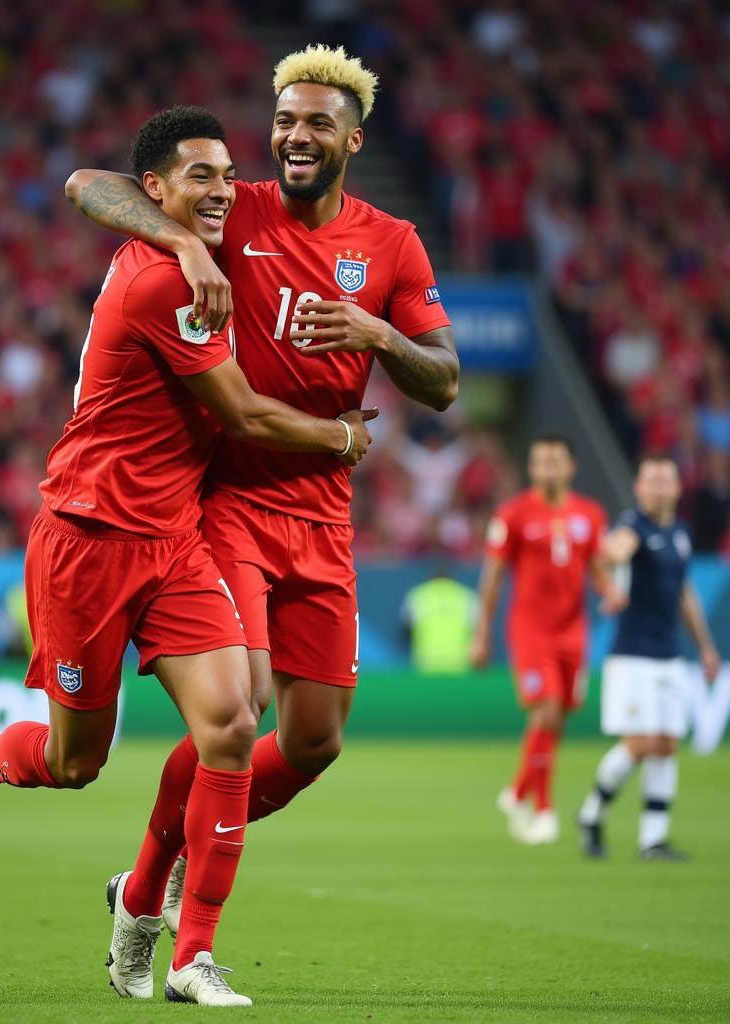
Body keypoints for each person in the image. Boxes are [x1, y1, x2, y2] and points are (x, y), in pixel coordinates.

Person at [0, 107, 375, 1008]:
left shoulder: (196, 250)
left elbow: (96, 188)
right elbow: (245, 415)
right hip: (87, 542)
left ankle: (181, 949)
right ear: (157, 192)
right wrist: (338, 435)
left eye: (225, 174)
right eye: (198, 177)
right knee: (74, 762)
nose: (221, 190)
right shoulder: (157, 282)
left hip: (173, 540)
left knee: (233, 726)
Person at [65, 44, 458, 936]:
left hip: (324, 514)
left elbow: (443, 379)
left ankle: (141, 881)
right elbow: (88, 182)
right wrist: (174, 240)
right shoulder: (227, 209)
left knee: (315, 740)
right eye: (284, 121)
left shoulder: (392, 243)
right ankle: (171, 911)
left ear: (353, 140)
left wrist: (376, 334)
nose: (296, 136)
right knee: (237, 717)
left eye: (318, 122)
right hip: (227, 506)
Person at [470, 435, 617, 844]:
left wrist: (610, 592)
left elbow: (598, 568)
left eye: (554, 462)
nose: (546, 469)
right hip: (531, 629)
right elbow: (493, 577)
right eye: (539, 462)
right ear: (531, 469)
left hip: (574, 629)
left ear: (571, 467)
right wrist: (482, 633)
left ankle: (516, 791)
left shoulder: (590, 514)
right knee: (547, 708)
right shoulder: (514, 513)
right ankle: (544, 809)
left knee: (559, 715)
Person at [578, 453, 721, 860]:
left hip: (669, 654)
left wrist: (706, 645)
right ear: (639, 488)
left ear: (677, 488)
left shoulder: (679, 531)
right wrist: (610, 580)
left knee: (667, 743)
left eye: (666, 480)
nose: (660, 488)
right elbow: (611, 553)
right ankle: (591, 812)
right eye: (652, 481)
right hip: (633, 655)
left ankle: (652, 840)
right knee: (641, 742)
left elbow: (683, 592)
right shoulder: (632, 527)